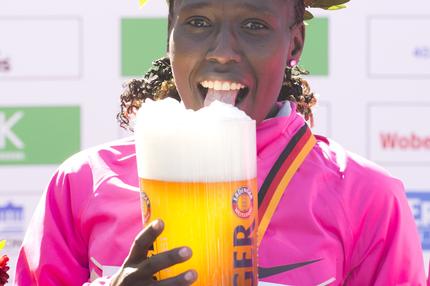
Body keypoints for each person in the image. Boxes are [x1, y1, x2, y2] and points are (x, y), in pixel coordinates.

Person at [15, 0, 426, 285]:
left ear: (295, 43)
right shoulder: (83, 182)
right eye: (197, 21)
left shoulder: (365, 194)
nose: (223, 51)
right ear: (170, 33)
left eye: (254, 25)